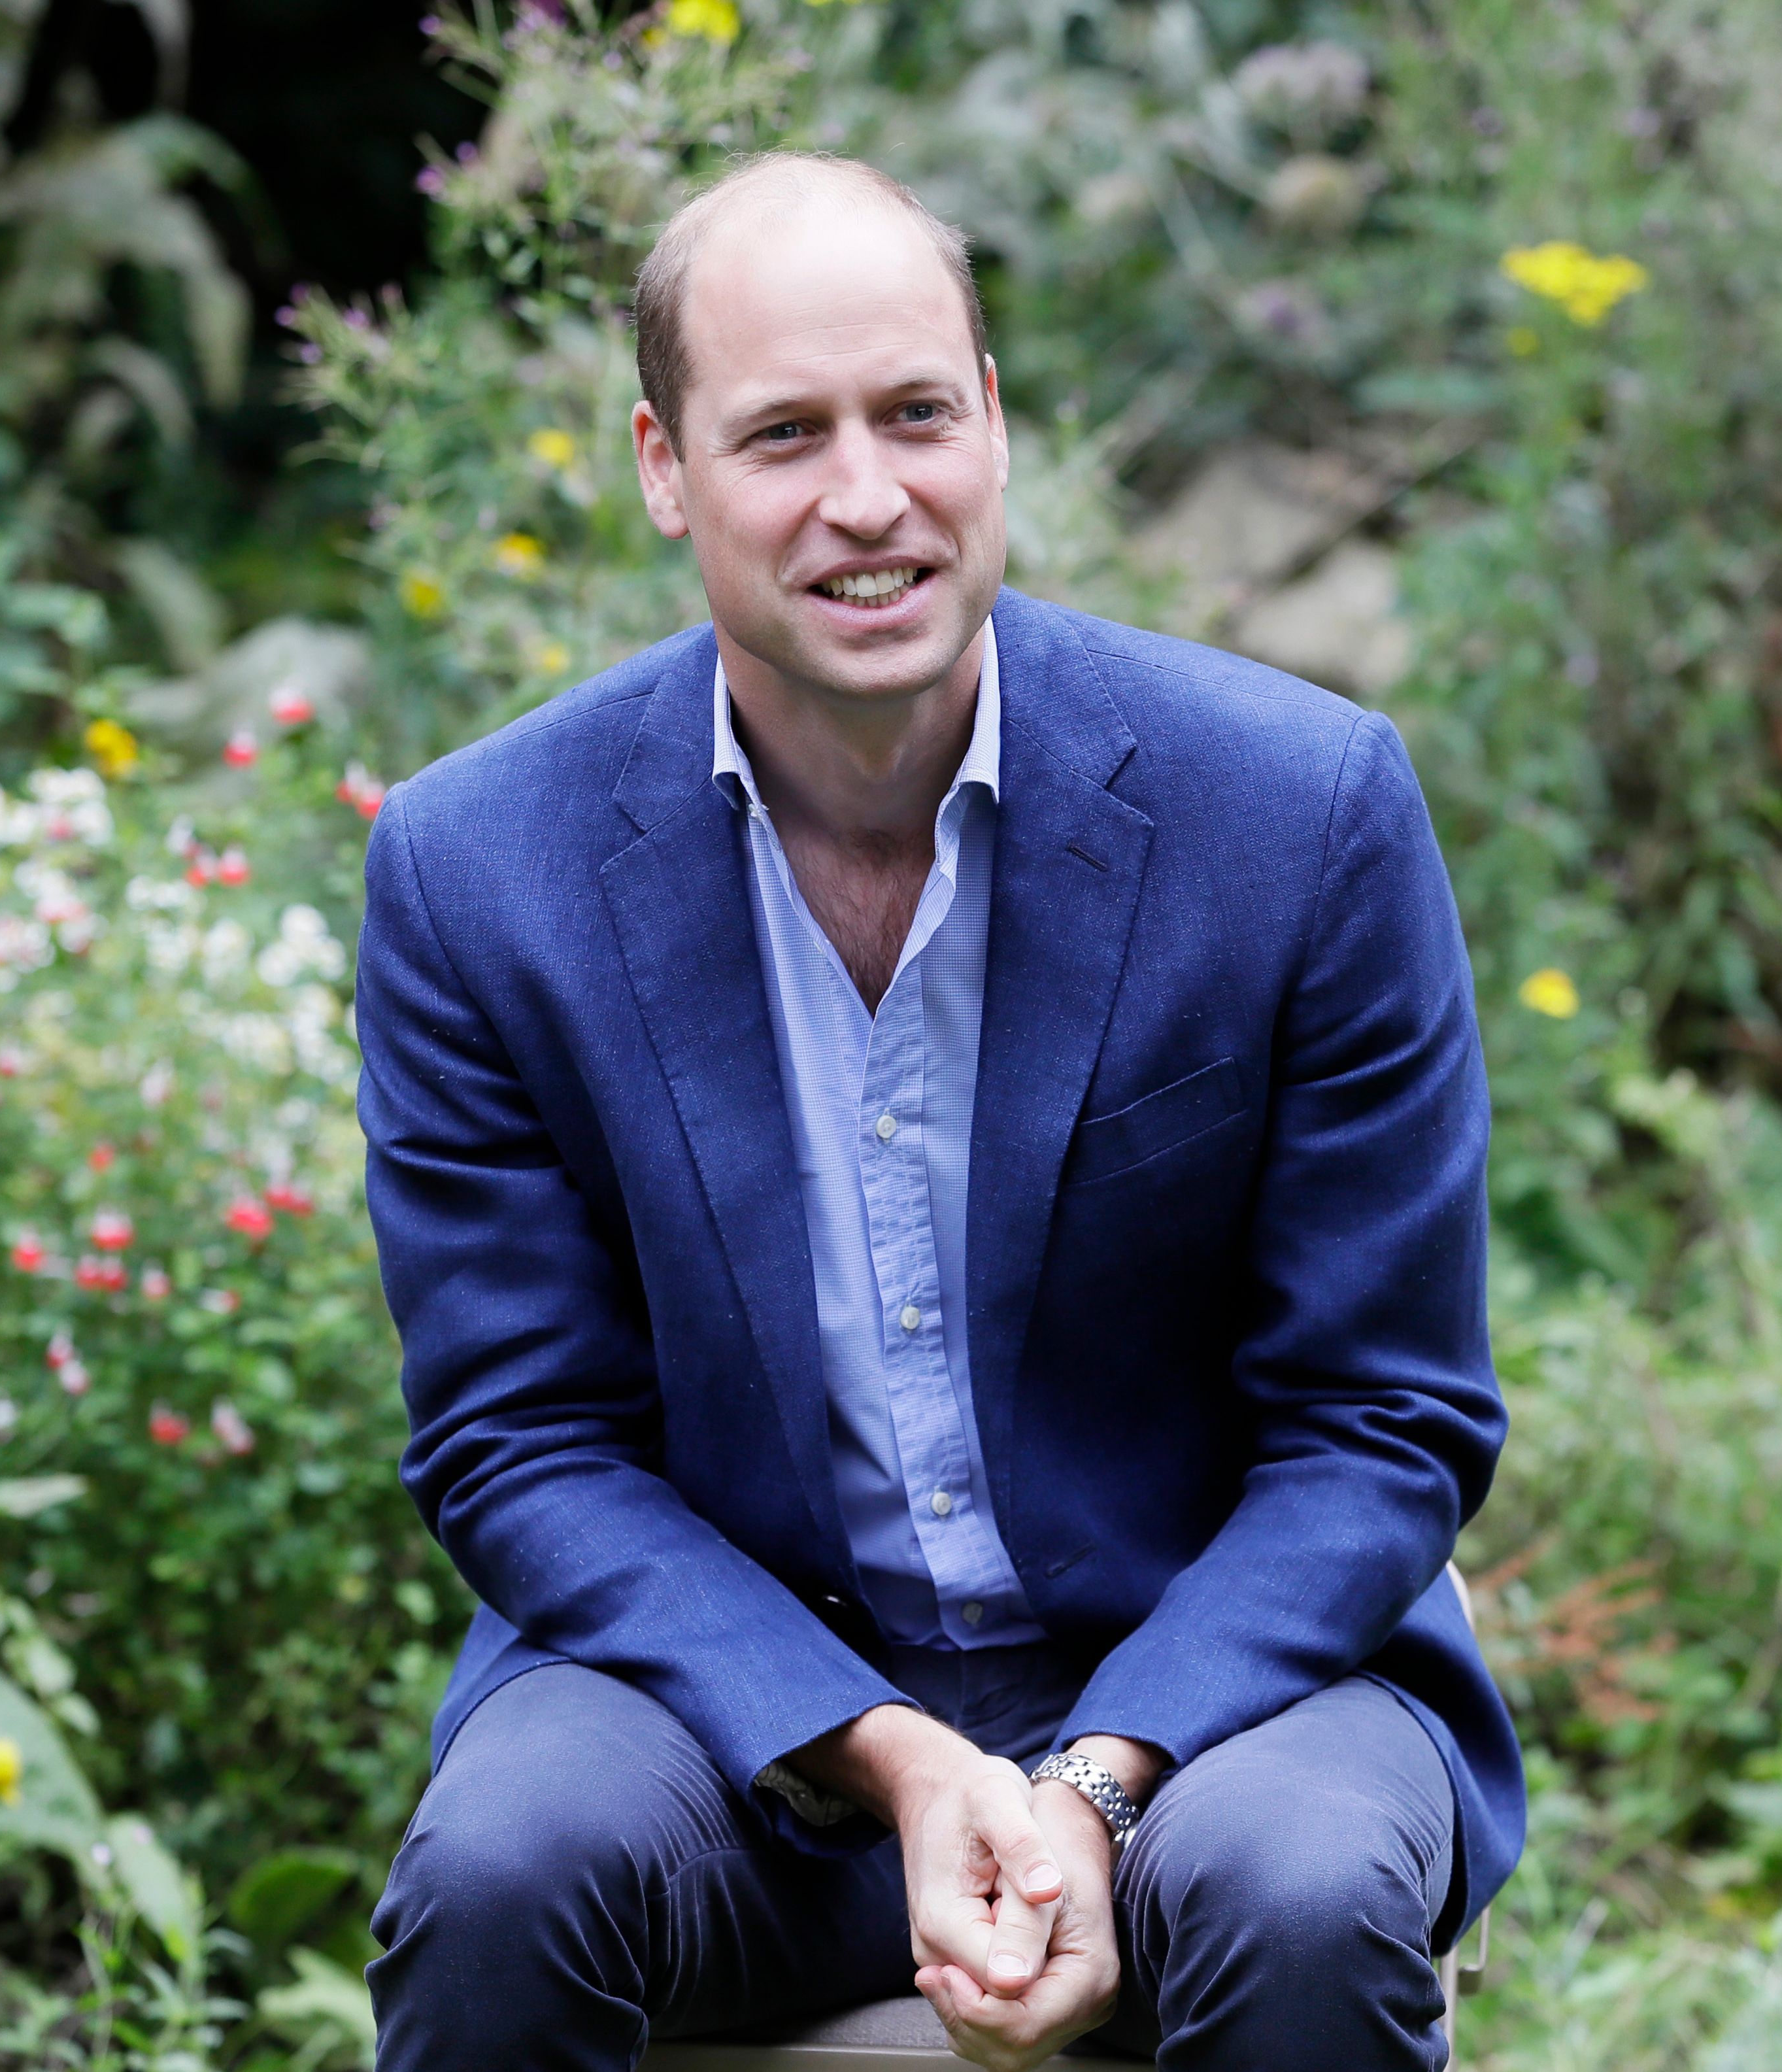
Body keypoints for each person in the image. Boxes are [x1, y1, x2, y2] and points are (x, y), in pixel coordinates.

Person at [354, 151, 1519, 2072]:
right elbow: (518, 1438)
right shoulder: (483, 872)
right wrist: (891, 1758)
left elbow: (1385, 1417)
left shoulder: (1296, 814)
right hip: (732, 1723)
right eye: (781, 434)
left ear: (993, 415)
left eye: (914, 412)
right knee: (501, 1874)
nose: (867, 496)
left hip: (1216, 1699)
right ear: (662, 466)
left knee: (1305, 1901)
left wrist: (1100, 1774)